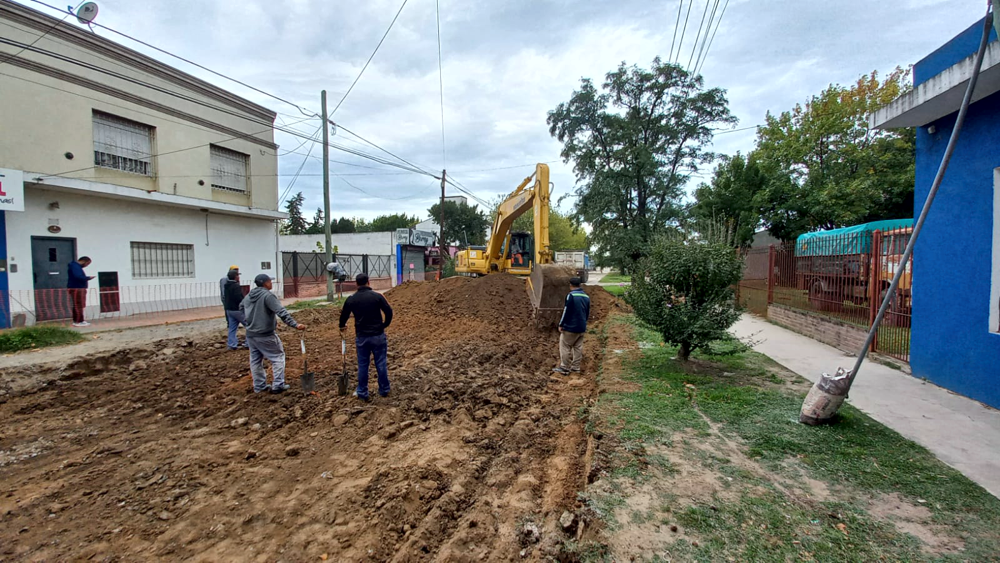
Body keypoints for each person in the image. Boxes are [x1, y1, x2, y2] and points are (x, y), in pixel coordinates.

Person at [241, 274, 306, 394]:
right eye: (270, 281)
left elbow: (241, 308)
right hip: (265, 334)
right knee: (278, 357)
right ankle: (278, 385)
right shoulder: (268, 295)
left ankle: (259, 386)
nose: (271, 283)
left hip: (251, 335)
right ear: (265, 283)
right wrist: (294, 324)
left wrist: (250, 322)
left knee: (255, 361)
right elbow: (281, 311)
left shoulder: (249, 296)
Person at [339, 273, 393, 401]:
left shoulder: (351, 299)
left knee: (363, 365)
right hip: (378, 336)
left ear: (356, 284)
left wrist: (342, 326)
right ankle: (384, 389)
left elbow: (344, 316)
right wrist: (384, 325)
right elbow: (389, 312)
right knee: (381, 363)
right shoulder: (377, 297)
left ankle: (362, 391)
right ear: (369, 282)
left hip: (362, 337)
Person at [553, 277, 590, 375]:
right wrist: (584, 323)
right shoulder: (586, 297)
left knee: (565, 346)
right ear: (580, 285)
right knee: (578, 347)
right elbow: (587, 312)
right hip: (581, 326)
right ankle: (575, 368)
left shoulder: (571, 296)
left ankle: (564, 367)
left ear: (570, 285)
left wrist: (561, 324)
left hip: (571, 326)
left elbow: (566, 311)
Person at [222, 269, 247, 350]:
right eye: (238, 275)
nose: (239, 277)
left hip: (229, 310)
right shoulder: (236, 286)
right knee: (249, 325)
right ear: (235, 277)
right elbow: (239, 298)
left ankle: (232, 344)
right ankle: (248, 343)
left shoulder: (226, 285)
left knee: (232, 328)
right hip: (237, 310)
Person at [67, 256, 94, 327]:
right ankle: (78, 321)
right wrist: (88, 278)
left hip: (78, 288)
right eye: (87, 264)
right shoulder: (75, 266)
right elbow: (78, 276)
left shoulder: (75, 266)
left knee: (79, 304)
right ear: (84, 261)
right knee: (78, 304)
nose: (86, 266)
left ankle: (79, 320)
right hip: (77, 288)